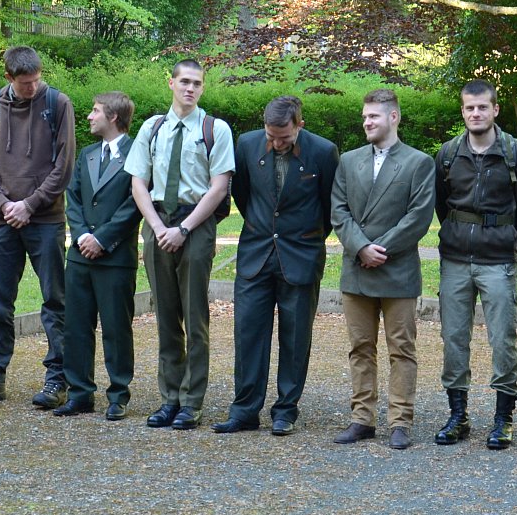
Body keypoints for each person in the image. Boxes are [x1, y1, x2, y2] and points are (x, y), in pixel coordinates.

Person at [212, 96, 339, 436]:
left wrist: (306, 238)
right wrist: (264, 229)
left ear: (300, 125)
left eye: (284, 137)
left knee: (296, 338)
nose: (277, 143)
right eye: (271, 136)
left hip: (301, 255)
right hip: (255, 253)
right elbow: (242, 194)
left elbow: (329, 207)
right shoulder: (247, 144)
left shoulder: (323, 152)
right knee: (248, 334)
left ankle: (286, 410)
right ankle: (244, 410)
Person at [125, 59, 234, 431]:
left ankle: (191, 401)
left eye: (197, 83)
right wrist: (158, 228)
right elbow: (138, 183)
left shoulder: (214, 129)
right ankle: (169, 397)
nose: (190, 88)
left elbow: (218, 187)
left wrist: (184, 229)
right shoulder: (152, 127)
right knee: (166, 316)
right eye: (184, 81)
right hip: (158, 222)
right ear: (171, 83)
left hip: (196, 224)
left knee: (195, 315)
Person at [0, 46, 76, 408]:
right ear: (9, 78)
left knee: (55, 302)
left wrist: (30, 204)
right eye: (25, 83)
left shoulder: (58, 104)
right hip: (1, 221)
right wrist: (4, 204)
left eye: (37, 80)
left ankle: (58, 380)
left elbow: (64, 165)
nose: (33, 87)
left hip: (45, 219)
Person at [433, 79, 517, 450]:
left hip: (498, 262)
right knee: (453, 339)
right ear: (462, 111)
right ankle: (457, 416)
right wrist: (460, 234)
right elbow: (442, 203)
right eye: (469, 108)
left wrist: (507, 241)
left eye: (482, 107)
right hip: (455, 260)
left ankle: (503, 419)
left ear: (495, 110)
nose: (475, 114)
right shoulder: (448, 154)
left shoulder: (515, 154)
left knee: (503, 340)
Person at [331, 89, 436, 450]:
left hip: (398, 270)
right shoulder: (349, 161)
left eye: (373, 116)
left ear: (394, 117)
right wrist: (361, 247)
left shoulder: (419, 163)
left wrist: (381, 249)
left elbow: (418, 217)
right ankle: (362, 418)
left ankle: (400, 421)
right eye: (364, 116)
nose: (366, 122)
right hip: (357, 269)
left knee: (401, 349)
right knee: (360, 347)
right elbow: (339, 210)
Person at [51, 92, 143, 420]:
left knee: (117, 329)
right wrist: (82, 236)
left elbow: (135, 203)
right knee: (76, 327)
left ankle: (118, 395)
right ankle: (79, 394)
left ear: (113, 117)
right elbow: (73, 197)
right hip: (80, 256)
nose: (89, 116)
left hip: (115, 258)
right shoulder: (87, 154)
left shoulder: (138, 154)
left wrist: (102, 239)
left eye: (95, 111)